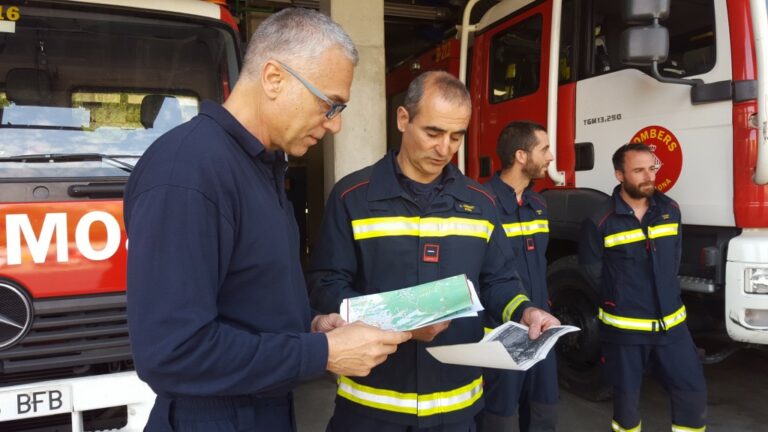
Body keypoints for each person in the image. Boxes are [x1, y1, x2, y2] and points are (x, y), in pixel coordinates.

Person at [124, 9, 411, 432]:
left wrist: (313, 327)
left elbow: (246, 300)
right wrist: (322, 353)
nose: (336, 125)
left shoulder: (262, 167)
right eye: (329, 104)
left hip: (264, 409)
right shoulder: (188, 171)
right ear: (274, 78)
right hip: (212, 418)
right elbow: (172, 353)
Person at [308, 71, 560, 432]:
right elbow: (327, 285)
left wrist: (525, 310)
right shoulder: (353, 197)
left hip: (457, 408)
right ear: (403, 119)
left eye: (457, 136)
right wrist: (405, 322)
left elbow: (497, 279)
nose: (445, 149)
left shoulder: (481, 202)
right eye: (433, 133)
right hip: (370, 405)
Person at [579, 143, 707, 432]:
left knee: (692, 392)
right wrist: (622, 297)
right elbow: (592, 270)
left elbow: (673, 260)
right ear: (619, 175)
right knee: (627, 404)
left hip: (672, 326)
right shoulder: (600, 220)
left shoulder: (669, 210)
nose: (649, 176)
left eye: (652, 168)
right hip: (625, 330)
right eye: (639, 170)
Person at [479, 121, 558, 432]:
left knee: (544, 414)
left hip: (542, 333)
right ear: (521, 156)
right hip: (501, 334)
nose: (551, 156)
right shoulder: (482, 204)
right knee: (500, 418)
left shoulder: (539, 204)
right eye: (545, 149)